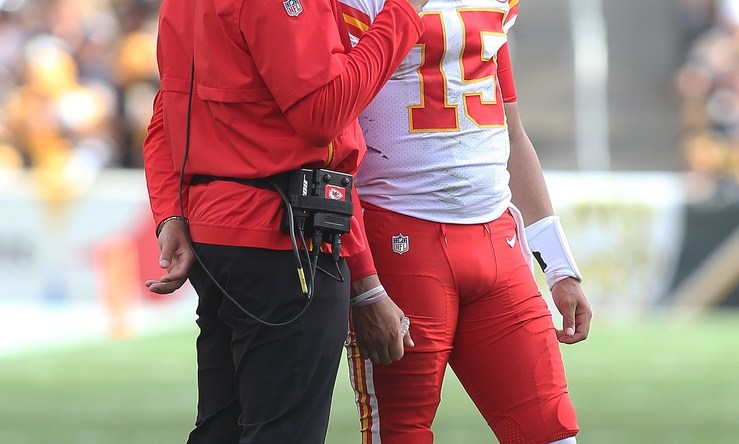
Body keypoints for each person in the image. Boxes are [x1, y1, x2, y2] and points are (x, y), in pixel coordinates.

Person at [141, 0, 428, 442]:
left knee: (222, 430)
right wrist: (404, 11)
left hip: (219, 235)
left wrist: (170, 213)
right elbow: (324, 113)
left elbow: (167, 113)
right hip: (282, 238)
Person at [339, 0, 594, 443]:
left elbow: (511, 132)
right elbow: (333, 128)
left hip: (497, 243)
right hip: (399, 241)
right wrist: (365, 286)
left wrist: (559, 265)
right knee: (401, 433)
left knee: (551, 431)